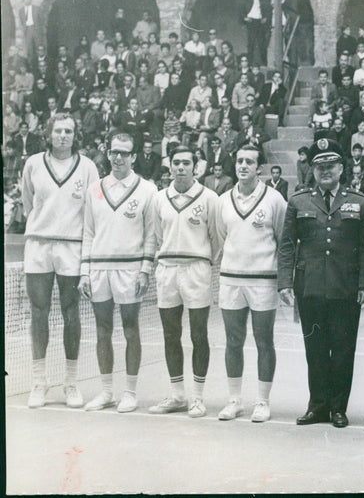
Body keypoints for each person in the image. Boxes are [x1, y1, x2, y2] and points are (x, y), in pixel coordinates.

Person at [277, 138, 364, 428]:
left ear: (342, 167)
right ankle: (317, 406)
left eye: (331, 165)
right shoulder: (299, 201)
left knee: (344, 350)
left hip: (345, 290)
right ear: (313, 170)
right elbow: (287, 246)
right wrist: (285, 282)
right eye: (320, 166)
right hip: (310, 289)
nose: (325, 171)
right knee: (315, 350)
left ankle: (338, 408)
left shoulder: (359, 201)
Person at [21, 114, 100, 408]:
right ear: (49, 133)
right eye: (58, 130)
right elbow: (29, 203)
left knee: (71, 313)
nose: (63, 135)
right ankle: (39, 382)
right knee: (39, 311)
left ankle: (71, 383)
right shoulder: (32, 163)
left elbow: (93, 211)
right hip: (39, 245)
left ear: (75, 135)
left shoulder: (88, 167)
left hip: (72, 247)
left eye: (69, 131)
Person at [79, 133, 158, 413]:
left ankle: (130, 392)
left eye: (124, 153)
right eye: (114, 152)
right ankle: (107, 392)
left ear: (134, 156)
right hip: (99, 268)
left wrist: (145, 269)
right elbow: (88, 232)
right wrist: (84, 272)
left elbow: (151, 235)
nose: (118, 157)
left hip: (130, 269)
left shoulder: (148, 190)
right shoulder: (95, 189)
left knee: (130, 329)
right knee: (102, 331)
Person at [214, 145, 287, 422]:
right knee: (233, 341)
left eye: (249, 162)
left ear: (260, 168)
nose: (243, 165)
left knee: (264, 340)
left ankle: (262, 401)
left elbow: (282, 240)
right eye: (240, 161)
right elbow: (222, 237)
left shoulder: (275, 200)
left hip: (263, 282)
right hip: (231, 280)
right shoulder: (223, 201)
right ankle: (234, 400)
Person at [149, 146, 221, 418]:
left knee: (198, 334)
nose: (180, 167)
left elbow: (217, 237)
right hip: (167, 269)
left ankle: (198, 398)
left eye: (185, 163)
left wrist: (202, 260)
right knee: (170, 334)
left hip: (196, 269)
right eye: (176, 163)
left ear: (196, 166)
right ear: (169, 165)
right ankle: (177, 395)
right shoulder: (159, 198)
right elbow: (157, 235)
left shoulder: (210, 198)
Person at [242, 0, 271, 67]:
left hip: (259, 21)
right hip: (251, 21)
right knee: (251, 43)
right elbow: (241, 7)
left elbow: (265, 8)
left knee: (262, 43)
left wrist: (264, 17)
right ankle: (250, 64)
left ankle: (264, 63)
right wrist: (244, 18)